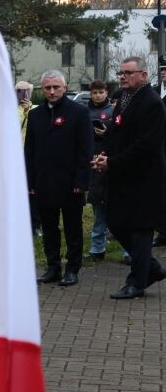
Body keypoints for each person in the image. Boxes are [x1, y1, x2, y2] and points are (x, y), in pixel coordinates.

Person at [92, 56, 166, 299]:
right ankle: (152, 269)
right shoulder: (124, 99)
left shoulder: (151, 103)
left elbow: (146, 145)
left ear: (143, 75)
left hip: (144, 179)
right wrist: (104, 155)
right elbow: (116, 132)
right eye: (121, 73)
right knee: (116, 223)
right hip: (122, 177)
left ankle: (136, 282)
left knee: (140, 229)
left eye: (128, 73)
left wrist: (112, 162)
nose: (122, 77)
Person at [24, 69, 92, 287]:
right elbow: (29, 151)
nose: (52, 92)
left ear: (65, 87)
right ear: (42, 89)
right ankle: (53, 267)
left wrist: (82, 181)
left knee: (73, 229)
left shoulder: (79, 112)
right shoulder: (35, 115)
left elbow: (85, 149)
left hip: (70, 181)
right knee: (49, 228)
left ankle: (72, 269)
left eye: (56, 87)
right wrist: (30, 181)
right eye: (47, 88)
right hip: (43, 181)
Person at [86, 80, 114, 260]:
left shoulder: (114, 111)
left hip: (111, 162)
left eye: (100, 92)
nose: (97, 96)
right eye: (94, 93)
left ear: (106, 93)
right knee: (98, 206)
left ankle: (127, 251)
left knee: (118, 207)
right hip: (93, 162)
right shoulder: (84, 112)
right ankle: (97, 248)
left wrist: (107, 133)